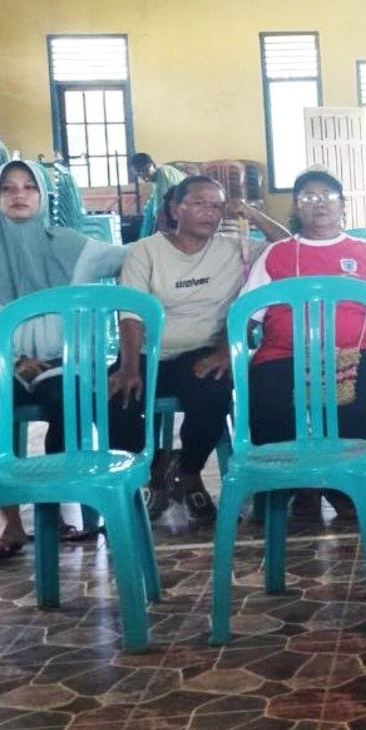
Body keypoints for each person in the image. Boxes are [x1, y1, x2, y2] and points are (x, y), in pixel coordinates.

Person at [0, 159, 127, 560]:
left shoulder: (73, 247)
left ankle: (52, 509)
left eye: (29, 187)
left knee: (69, 403)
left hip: (59, 362)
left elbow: (129, 256)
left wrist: (182, 242)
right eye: (8, 187)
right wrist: (13, 360)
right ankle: (10, 517)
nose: (19, 195)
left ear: (43, 195)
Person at [241, 169, 366, 521]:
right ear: (296, 206)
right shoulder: (277, 254)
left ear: (342, 206)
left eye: (328, 196)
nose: (319, 203)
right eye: (308, 197)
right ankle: (300, 485)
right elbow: (247, 311)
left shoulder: (364, 252)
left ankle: (343, 485)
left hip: (352, 352)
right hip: (284, 354)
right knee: (266, 394)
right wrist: (226, 349)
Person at [109, 176, 256, 526]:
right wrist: (130, 366)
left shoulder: (236, 248)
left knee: (214, 389)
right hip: (148, 353)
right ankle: (153, 466)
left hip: (201, 350)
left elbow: (291, 248)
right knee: (116, 396)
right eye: (200, 203)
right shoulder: (145, 251)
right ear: (176, 209)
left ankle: (189, 471)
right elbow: (131, 313)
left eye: (217, 206)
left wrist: (252, 214)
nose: (210, 213)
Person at [131, 152, 187, 239]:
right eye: (139, 173)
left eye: (144, 170)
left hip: (183, 218)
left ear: (152, 165)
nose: (142, 175)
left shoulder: (163, 173)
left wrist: (155, 238)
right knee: (148, 208)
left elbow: (161, 210)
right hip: (177, 217)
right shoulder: (157, 180)